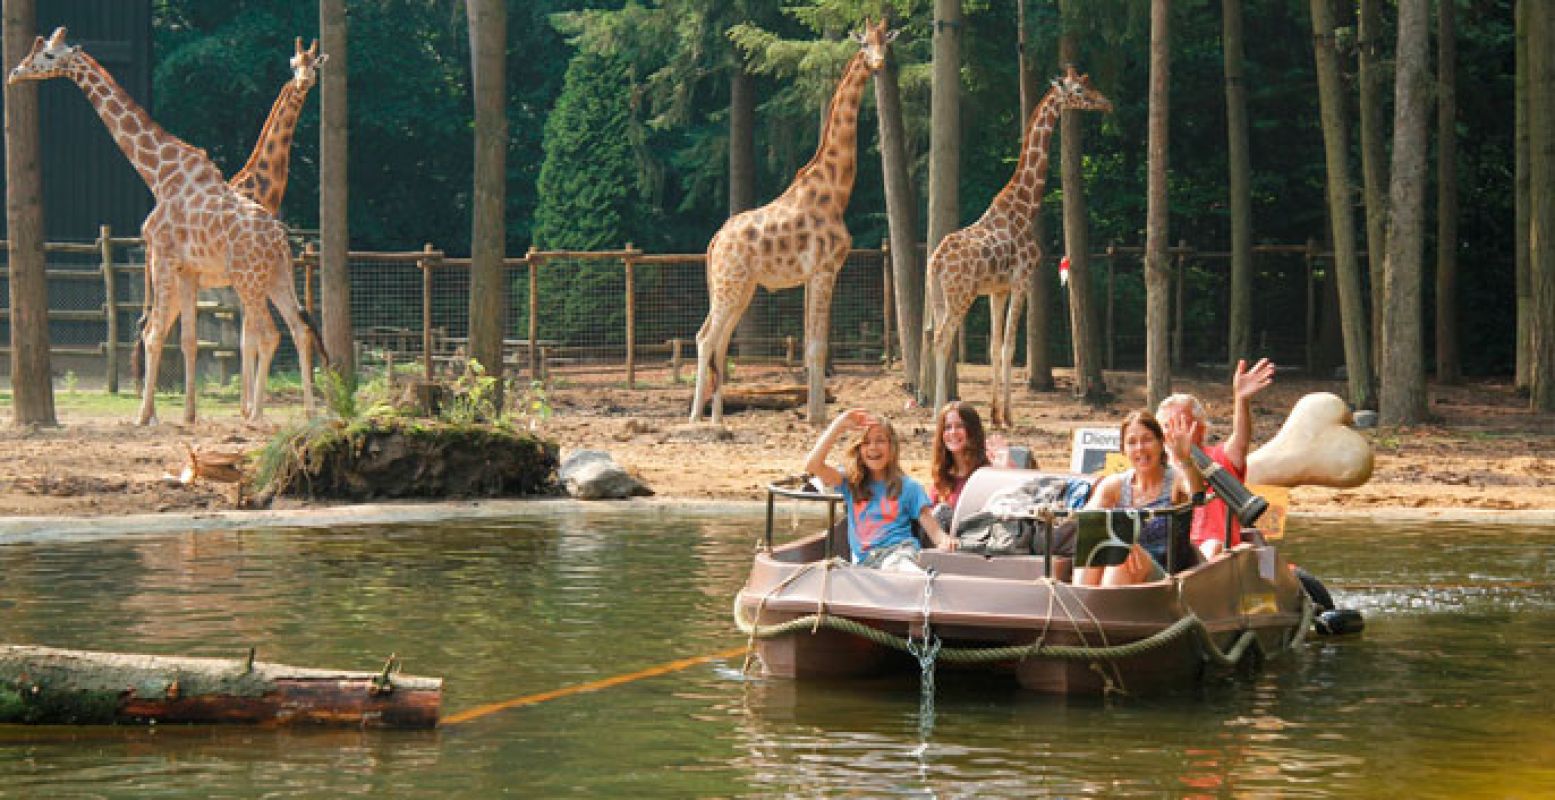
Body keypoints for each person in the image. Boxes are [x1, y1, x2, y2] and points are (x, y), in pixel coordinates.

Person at [805, 407, 955, 570]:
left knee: (897, 567)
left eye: (880, 440)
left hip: (899, 553)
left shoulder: (909, 487)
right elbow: (812, 465)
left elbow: (933, 529)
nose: (873, 447)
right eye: (866, 442)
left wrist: (944, 541)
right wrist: (838, 426)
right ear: (859, 449)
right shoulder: (851, 482)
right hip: (865, 564)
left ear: (892, 447)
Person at [1157, 357, 1275, 559]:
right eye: (1168, 426)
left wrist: (1241, 399)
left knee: (1212, 547)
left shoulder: (1218, 458)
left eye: (1182, 424)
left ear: (1201, 429)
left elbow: (1240, 440)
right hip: (1171, 555)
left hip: (1217, 558)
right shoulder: (1155, 468)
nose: (1175, 433)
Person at [1073, 410, 1203, 586]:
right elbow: (1086, 522)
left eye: (1147, 439)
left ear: (1160, 443)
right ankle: (1080, 602)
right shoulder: (1114, 485)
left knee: (1122, 553)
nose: (1140, 448)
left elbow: (1197, 493)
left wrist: (1185, 459)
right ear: (1123, 449)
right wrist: (1118, 536)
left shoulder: (1176, 479)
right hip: (1121, 573)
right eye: (1132, 442)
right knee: (1095, 535)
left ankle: (1100, 609)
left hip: (1165, 578)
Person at [928, 401, 992, 532]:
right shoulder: (941, 478)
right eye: (947, 427)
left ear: (972, 430)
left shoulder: (989, 474)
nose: (953, 432)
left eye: (959, 426)